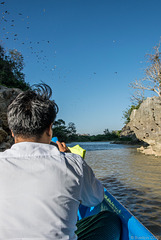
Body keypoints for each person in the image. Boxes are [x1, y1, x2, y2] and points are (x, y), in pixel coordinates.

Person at [0, 83, 121, 239]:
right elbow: (95, 198)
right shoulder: (72, 162)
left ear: (12, 131)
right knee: (109, 220)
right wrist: (68, 157)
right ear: (50, 129)